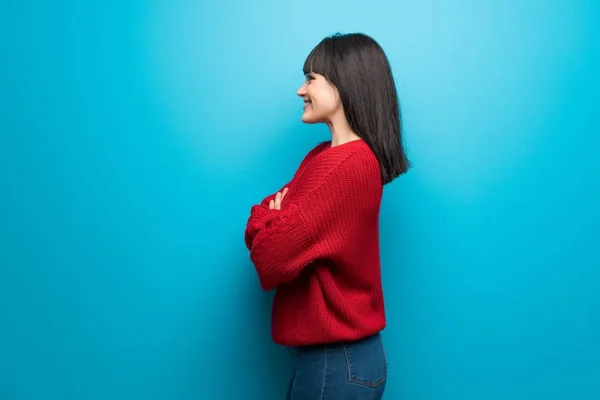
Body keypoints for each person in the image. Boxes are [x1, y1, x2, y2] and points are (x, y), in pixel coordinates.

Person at [244, 32, 410, 400]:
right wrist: (271, 220)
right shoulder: (323, 157)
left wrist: (274, 220)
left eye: (311, 79)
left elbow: (270, 258)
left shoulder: (346, 166)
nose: (300, 91)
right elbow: (261, 214)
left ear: (344, 84)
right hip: (329, 362)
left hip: (336, 362)